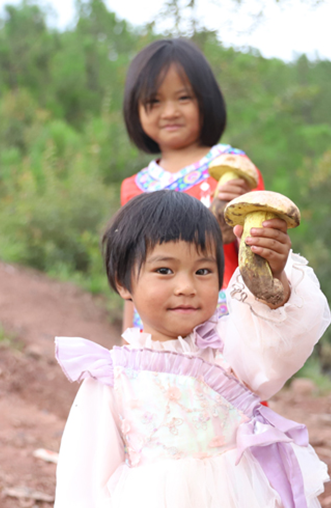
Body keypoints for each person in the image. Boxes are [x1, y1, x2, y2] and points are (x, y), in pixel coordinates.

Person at [49, 190, 331, 508]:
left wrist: (274, 281)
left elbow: (278, 350)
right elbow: (84, 492)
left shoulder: (230, 345)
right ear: (123, 283)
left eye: (202, 271)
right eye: (164, 270)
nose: (185, 287)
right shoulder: (113, 376)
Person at [120, 38, 263, 331]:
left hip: (222, 327)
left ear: (206, 100)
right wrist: (127, 341)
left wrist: (238, 214)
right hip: (154, 334)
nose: (170, 111)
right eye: (154, 101)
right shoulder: (134, 187)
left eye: (183, 98)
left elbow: (260, 250)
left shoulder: (232, 167)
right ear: (136, 109)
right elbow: (131, 275)